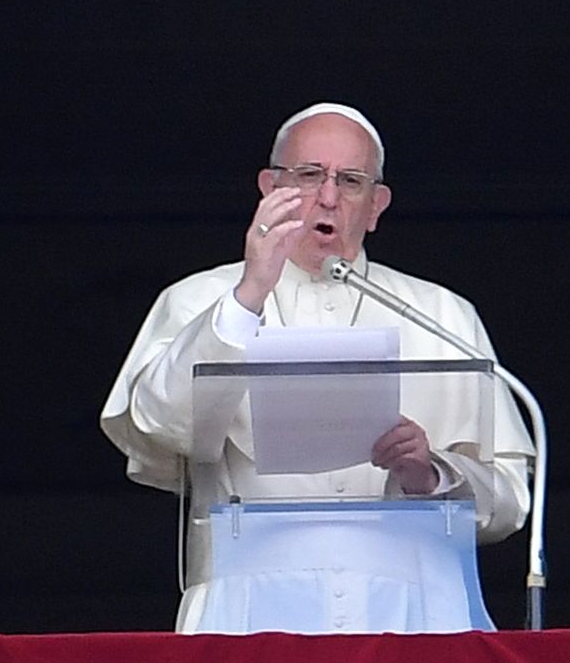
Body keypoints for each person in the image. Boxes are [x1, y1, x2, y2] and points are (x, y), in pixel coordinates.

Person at [100, 102, 533, 631]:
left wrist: (432, 474)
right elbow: (156, 428)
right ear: (267, 187)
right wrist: (249, 294)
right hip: (248, 612)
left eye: (350, 181)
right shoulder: (199, 300)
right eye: (308, 175)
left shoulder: (443, 314)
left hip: (414, 616)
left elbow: (510, 498)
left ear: (376, 206)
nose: (327, 197)